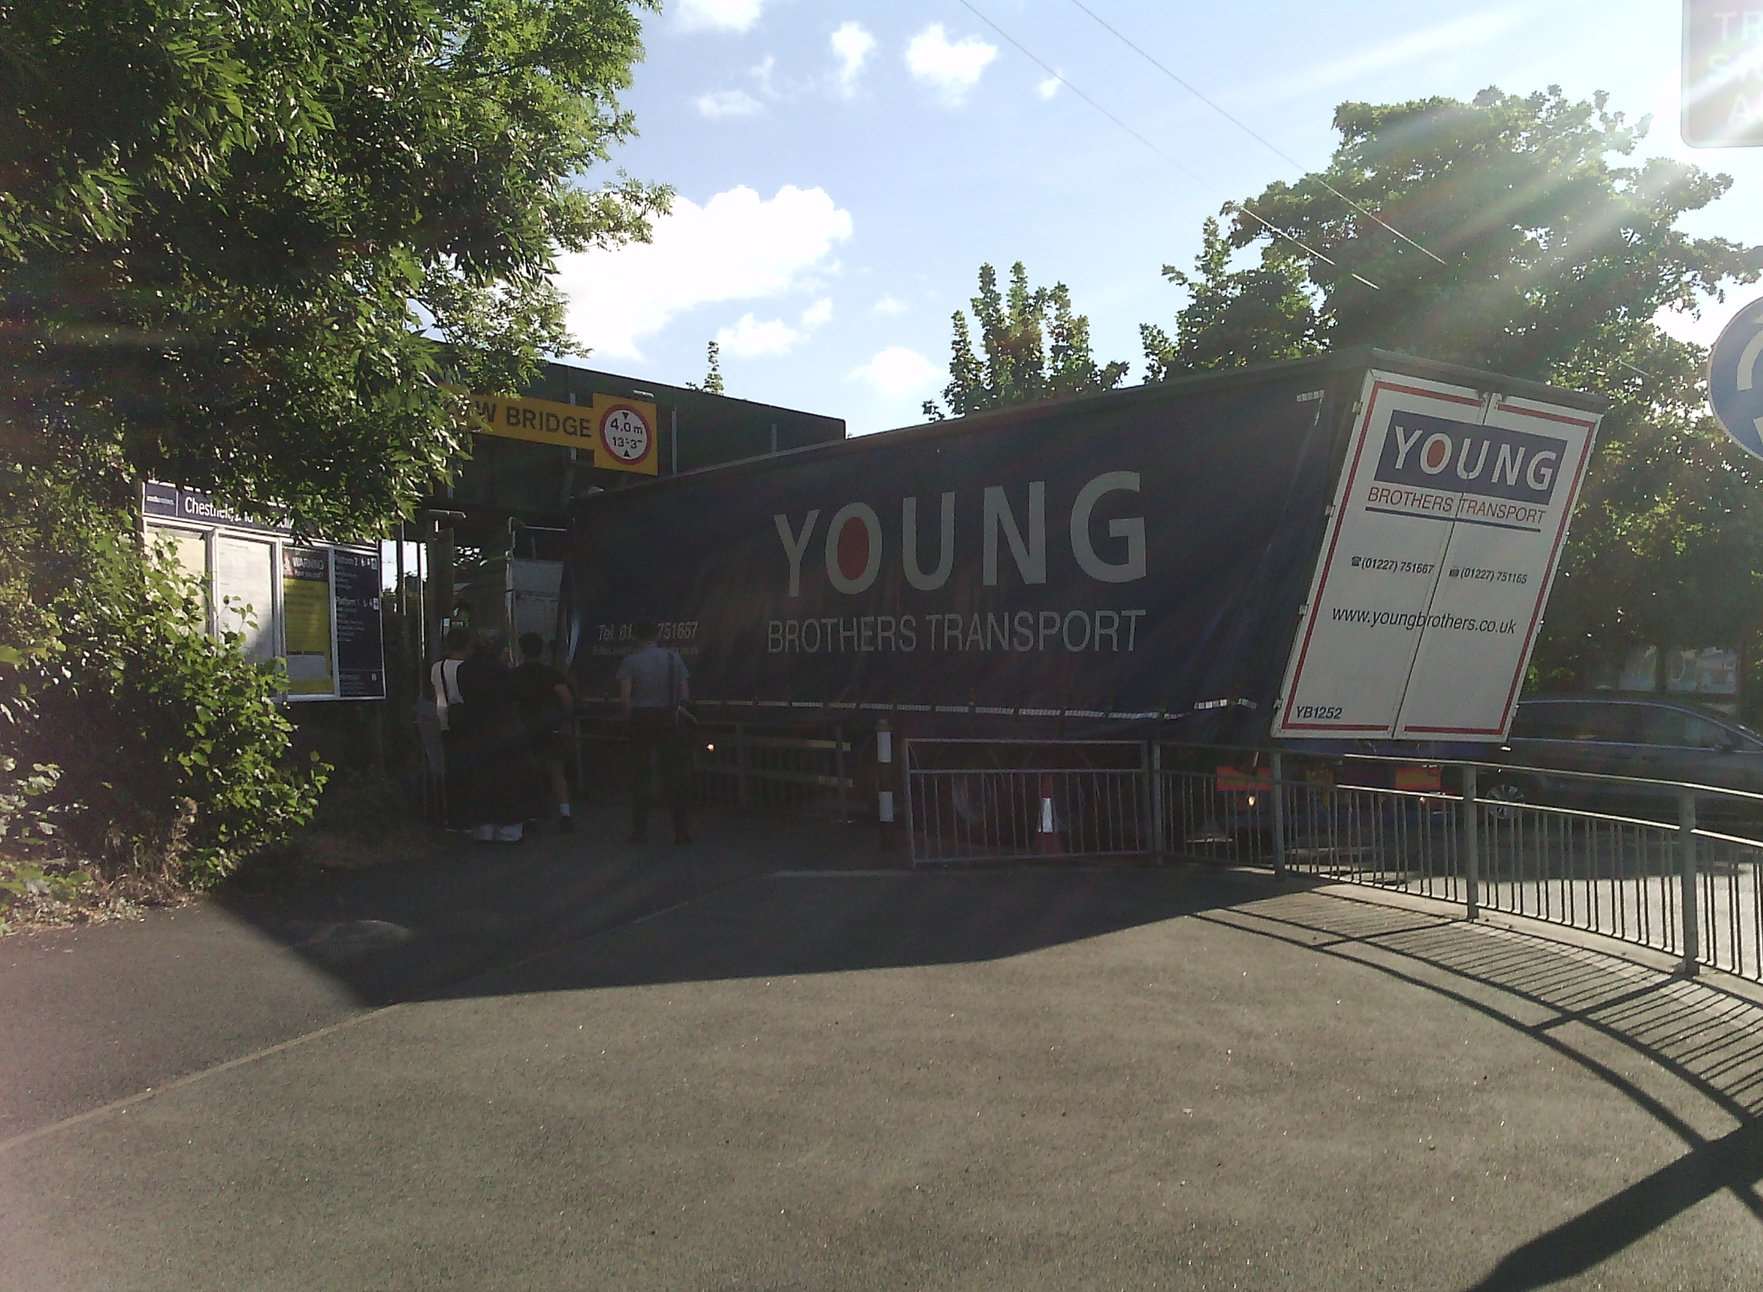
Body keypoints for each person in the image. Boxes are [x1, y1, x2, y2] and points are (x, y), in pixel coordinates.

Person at [616, 623, 692, 844]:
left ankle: (639, 831)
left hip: (641, 719)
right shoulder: (673, 658)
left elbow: (625, 698)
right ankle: (681, 831)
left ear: (634, 636)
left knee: (641, 775)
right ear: (657, 635)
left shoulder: (630, 661)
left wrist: (628, 720)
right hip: (669, 718)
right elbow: (685, 693)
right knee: (674, 775)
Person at [455, 632, 526, 844]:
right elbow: (514, 695)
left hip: (475, 728)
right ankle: (508, 830)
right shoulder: (502, 670)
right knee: (506, 779)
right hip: (502, 728)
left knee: (480, 779)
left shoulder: (464, 669)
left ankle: (482, 828)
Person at [512, 632, 576, 834]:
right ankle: (565, 814)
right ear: (542, 651)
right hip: (551, 726)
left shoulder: (515, 675)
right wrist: (566, 717)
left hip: (526, 727)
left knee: (528, 772)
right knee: (557, 772)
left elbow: (509, 702)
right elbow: (565, 697)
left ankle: (530, 816)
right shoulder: (551, 673)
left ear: (522, 651)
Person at [430, 627, 471, 829]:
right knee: (468, 770)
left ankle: (450, 816)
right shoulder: (468, 668)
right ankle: (467, 815)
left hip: (444, 720)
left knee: (450, 769)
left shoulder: (437, 667)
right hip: (466, 721)